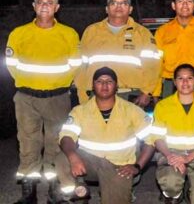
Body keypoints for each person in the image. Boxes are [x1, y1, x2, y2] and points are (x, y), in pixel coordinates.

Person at [5, 0, 81, 203]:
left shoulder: (69, 34)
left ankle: (53, 192)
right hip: (26, 98)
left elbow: (75, 66)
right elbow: (12, 65)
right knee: (28, 144)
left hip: (57, 98)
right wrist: (32, 84)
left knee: (55, 144)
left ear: (57, 7)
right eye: (40, 2)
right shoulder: (19, 33)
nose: (45, 5)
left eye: (50, 2)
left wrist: (55, 84)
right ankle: (28, 195)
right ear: (34, 6)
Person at [54, 67, 155, 204]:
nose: (105, 85)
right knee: (62, 158)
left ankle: (117, 191)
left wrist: (137, 166)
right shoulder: (80, 111)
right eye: (99, 81)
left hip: (119, 167)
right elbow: (66, 136)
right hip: (89, 163)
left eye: (109, 81)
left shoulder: (132, 111)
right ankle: (77, 194)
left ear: (116, 86)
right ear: (93, 86)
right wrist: (73, 157)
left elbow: (151, 140)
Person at [74, 0, 161, 108]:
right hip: (96, 96)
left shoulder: (142, 34)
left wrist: (147, 92)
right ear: (106, 9)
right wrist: (82, 93)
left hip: (130, 95)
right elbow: (81, 65)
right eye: (114, 3)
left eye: (123, 3)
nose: (118, 6)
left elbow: (153, 66)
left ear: (130, 9)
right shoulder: (91, 31)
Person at [149, 64, 194, 204]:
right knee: (171, 182)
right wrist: (170, 156)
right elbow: (157, 138)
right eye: (180, 78)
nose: (185, 82)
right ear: (174, 82)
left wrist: (188, 158)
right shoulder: (163, 106)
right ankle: (175, 194)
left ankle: (193, 191)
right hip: (172, 154)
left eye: (189, 78)